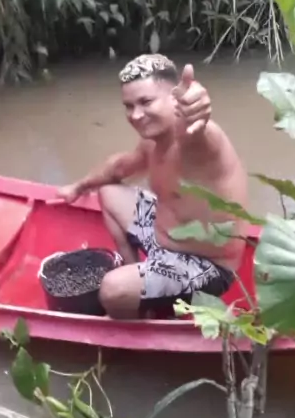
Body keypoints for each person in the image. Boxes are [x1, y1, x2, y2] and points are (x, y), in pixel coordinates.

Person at [55, 54, 249, 319]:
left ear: (174, 98)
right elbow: (119, 168)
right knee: (108, 191)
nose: (135, 115)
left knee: (112, 290)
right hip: (162, 240)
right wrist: (78, 187)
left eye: (146, 102)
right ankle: (138, 284)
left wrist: (198, 109)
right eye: (129, 106)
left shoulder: (199, 140)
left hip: (207, 267)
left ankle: (137, 316)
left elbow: (199, 127)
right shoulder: (153, 141)